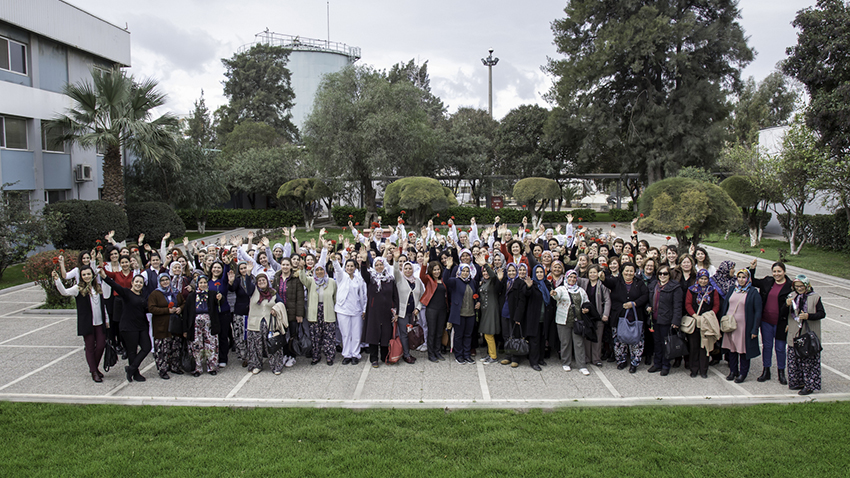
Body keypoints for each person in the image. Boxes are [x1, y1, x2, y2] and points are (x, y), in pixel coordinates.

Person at [53, 267, 108, 383]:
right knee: (89, 347)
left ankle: (94, 367)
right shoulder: (78, 288)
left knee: (101, 345)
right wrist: (57, 280)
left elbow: (103, 305)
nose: (87, 276)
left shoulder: (98, 287)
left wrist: (106, 319)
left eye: (88, 274)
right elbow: (64, 292)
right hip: (87, 323)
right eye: (84, 275)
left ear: (92, 275)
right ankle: (94, 371)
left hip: (99, 322)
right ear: (81, 277)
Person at [99, 269, 150, 383]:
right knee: (132, 351)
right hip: (128, 327)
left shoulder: (142, 297)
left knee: (146, 347)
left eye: (141, 283)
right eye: (136, 282)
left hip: (141, 326)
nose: (138, 284)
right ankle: (135, 374)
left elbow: (147, 309)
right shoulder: (126, 293)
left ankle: (131, 368)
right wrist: (104, 276)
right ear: (132, 282)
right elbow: (114, 285)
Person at [600, 263, 649, 373]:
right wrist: (602, 278)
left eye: (631, 271)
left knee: (636, 341)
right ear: (622, 271)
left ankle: (634, 363)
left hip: (635, 317)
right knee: (619, 341)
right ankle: (621, 361)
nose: (629, 273)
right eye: (626, 271)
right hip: (619, 316)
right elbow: (608, 282)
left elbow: (645, 295)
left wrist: (634, 303)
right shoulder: (617, 281)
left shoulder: (639, 283)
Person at [749, 260, 792, 385]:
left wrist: (791, 323)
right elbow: (752, 281)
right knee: (767, 347)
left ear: (784, 272)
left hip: (781, 323)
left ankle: (781, 373)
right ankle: (766, 371)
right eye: (774, 271)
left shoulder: (790, 286)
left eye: (779, 271)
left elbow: (795, 306)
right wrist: (752, 268)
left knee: (780, 348)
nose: (776, 274)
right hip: (766, 321)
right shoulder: (768, 281)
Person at [719, 269, 762, 383]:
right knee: (731, 349)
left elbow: (758, 312)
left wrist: (754, 329)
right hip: (730, 324)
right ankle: (733, 371)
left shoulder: (753, 292)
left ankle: (743, 373)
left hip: (743, 326)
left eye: (744, 277)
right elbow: (726, 304)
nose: (741, 280)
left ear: (748, 278)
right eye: (739, 277)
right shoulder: (733, 289)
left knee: (742, 350)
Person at [785, 275, 825, 395]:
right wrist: (786, 305)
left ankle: (810, 385)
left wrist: (808, 316)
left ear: (807, 285)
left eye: (801, 286)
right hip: (794, 333)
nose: (799, 288)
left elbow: (822, 314)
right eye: (796, 286)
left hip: (808, 335)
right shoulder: (792, 296)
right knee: (793, 359)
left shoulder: (815, 297)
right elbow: (783, 313)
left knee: (808, 361)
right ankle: (797, 382)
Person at [361, 253, 400, 368]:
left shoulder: (390, 279)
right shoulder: (371, 278)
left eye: (381, 265)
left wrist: (396, 311)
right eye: (376, 265)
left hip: (387, 311)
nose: (379, 267)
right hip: (374, 311)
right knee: (374, 334)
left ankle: (384, 356)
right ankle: (373, 358)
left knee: (385, 334)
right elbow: (364, 273)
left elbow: (395, 296)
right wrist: (364, 262)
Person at [298, 256, 339, 366]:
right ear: (314, 271)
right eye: (317, 270)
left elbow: (335, 297)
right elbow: (302, 279)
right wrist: (301, 269)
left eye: (321, 270)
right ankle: (316, 356)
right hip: (315, 312)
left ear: (325, 271)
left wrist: (334, 309)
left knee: (329, 336)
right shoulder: (311, 281)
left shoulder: (331, 282)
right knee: (315, 336)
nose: (320, 272)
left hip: (328, 311)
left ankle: (329, 356)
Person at [552, 270, 592, 375]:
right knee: (565, 342)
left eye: (574, 277)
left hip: (577, 321)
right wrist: (554, 294)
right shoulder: (561, 289)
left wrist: (586, 309)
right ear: (566, 278)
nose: (572, 279)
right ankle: (566, 363)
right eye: (570, 277)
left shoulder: (581, 290)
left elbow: (586, 302)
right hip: (563, 320)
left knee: (579, 343)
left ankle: (582, 365)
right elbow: (557, 296)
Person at [645, 264, 682, 376]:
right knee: (657, 343)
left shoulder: (675, 287)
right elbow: (647, 299)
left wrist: (676, 321)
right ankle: (657, 363)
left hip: (667, 320)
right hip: (654, 319)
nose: (662, 276)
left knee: (666, 343)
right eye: (660, 273)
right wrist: (647, 307)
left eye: (665, 273)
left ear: (669, 275)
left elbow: (678, 306)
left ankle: (666, 365)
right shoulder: (653, 286)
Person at [331, 253, 367, 365]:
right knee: (346, 334)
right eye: (348, 266)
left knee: (356, 333)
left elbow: (363, 295)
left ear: (355, 267)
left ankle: (355, 354)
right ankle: (346, 354)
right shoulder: (342, 277)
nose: (350, 268)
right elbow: (337, 268)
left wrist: (364, 309)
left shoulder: (359, 280)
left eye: (352, 266)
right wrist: (334, 260)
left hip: (356, 310)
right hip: (343, 310)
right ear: (345, 267)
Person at [245, 273, 285, 374]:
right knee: (255, 346)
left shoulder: (273, 292)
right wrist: (248, 274)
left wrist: (275, 309)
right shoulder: (253, 291)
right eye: (259, 281)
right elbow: (248, 284)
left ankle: (276, 366)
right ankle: (256, 365)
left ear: (267, 281)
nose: (262, 282)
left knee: (272, 346)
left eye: (264, 280)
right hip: (255, 323)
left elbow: (280, 303)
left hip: (269, 323)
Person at [684, 269, 721, 378]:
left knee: (705, 346)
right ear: (698, 279)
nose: (703, 281)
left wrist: (710, 315)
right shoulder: (692, 290)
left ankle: (704, 369)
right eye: (701, 278)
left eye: (705, 279)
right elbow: (688, 304)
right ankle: (694, 369)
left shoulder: (712, 290)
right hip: (696, 320)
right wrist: (695, 315)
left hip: (707, 321)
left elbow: (716, 305)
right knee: (694, 346)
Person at [147, 273, 184, 379]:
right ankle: (162, 369)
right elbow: (151, 308)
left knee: (175, 347)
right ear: (159, 282)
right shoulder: (155, 294)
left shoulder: (175, 292)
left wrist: (180, 308)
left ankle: (175, 366)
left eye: (167, 280)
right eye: (162, 280)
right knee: (162, 349)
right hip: (162, 325)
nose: (165, 282)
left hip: (175, 325)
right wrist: (166, 311)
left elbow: (183, 303)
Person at [444, 258, 480, 364]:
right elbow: (445, 280)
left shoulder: (472, 282)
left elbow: (476, 294)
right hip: (459, 313)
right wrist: (448, 267)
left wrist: (478, 302)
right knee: (459, 335)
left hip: (471, 314)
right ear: (459, 271)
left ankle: (467, 354)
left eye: (467, 271)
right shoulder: (456, 281)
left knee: (468, 335)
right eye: (463, 271)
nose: (465, 273)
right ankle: (459, 355)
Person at [183, 274, 220, 376]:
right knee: (196, 345)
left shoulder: (212, 294)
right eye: (200, 283)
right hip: (195, 323)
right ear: (197, 284)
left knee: (211, 344)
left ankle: (211, 367)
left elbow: (220, 302)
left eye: (204, 282)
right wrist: (185, 329)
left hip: (209, 322)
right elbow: (186, 312)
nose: (203, 284)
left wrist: (220, 298)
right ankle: (197, 368)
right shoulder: (192, 296)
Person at [393, 258, 425, 364]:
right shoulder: (399, 279)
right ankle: (406, 355)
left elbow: (422, 296)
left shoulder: (417, 281)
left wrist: (418, 308)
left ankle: (409, 350)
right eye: (405, 268)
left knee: (412, 333)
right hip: (402, 313)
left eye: (410, 268)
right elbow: (396, 270)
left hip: (413, 313)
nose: (408, 270)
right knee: (404, 334)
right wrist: (396, 260)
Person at [580, 265, 610, 367]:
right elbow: (571, 274)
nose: (592, 275)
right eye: (590, 272)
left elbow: (607, 300)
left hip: (598, 315)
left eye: (594, 272)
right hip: (587, 315)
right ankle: (587, 357)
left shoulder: (602, 284)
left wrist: (605, 314)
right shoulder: (584, 282)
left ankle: (596, 358)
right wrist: (579, 265)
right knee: (587, 336)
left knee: (597, 337)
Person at [476, 253, 503, 364]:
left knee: (489, 334)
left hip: (492, 310)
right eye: (484, 271)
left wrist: (486, 265)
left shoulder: (492, 280)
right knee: (486, 334)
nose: (485, 273)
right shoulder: (483, 282)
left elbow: (493, 275)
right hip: (485, 310)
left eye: (487, 271)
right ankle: (489, 354)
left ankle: (493, 356)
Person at [420, 260, 448, 362]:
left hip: (442, 309)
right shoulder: (428, 279)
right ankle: (431, 354)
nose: (437, 272)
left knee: (439, 332)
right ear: (431, 271)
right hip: (431, 309)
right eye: (434, 270)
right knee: (432, 332)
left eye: (438, 269)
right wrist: (424, 264)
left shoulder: (443, 280)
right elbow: (422, 275)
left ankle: (437, 351)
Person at [500, 263, 527, 368]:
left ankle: (515, 358)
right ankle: (508, 356)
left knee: (515, 335)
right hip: (504, 311)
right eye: (509, 271)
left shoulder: (520, 282)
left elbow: (522, 301)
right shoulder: (505, 282)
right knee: (506, 335)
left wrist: (518, 316)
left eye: (513, 271)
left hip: (514, 313)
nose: (511, 273)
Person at [228, 261, 255, 367]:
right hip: (239, 311)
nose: (244, 270)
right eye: (242, 268)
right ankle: (244, 356)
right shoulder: (237, 280)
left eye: (245, 268)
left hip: (251, 311)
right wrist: (230, 282)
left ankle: (252, 355)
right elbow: (232, 288)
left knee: (250, 335)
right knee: (239, 335)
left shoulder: (253, 278)